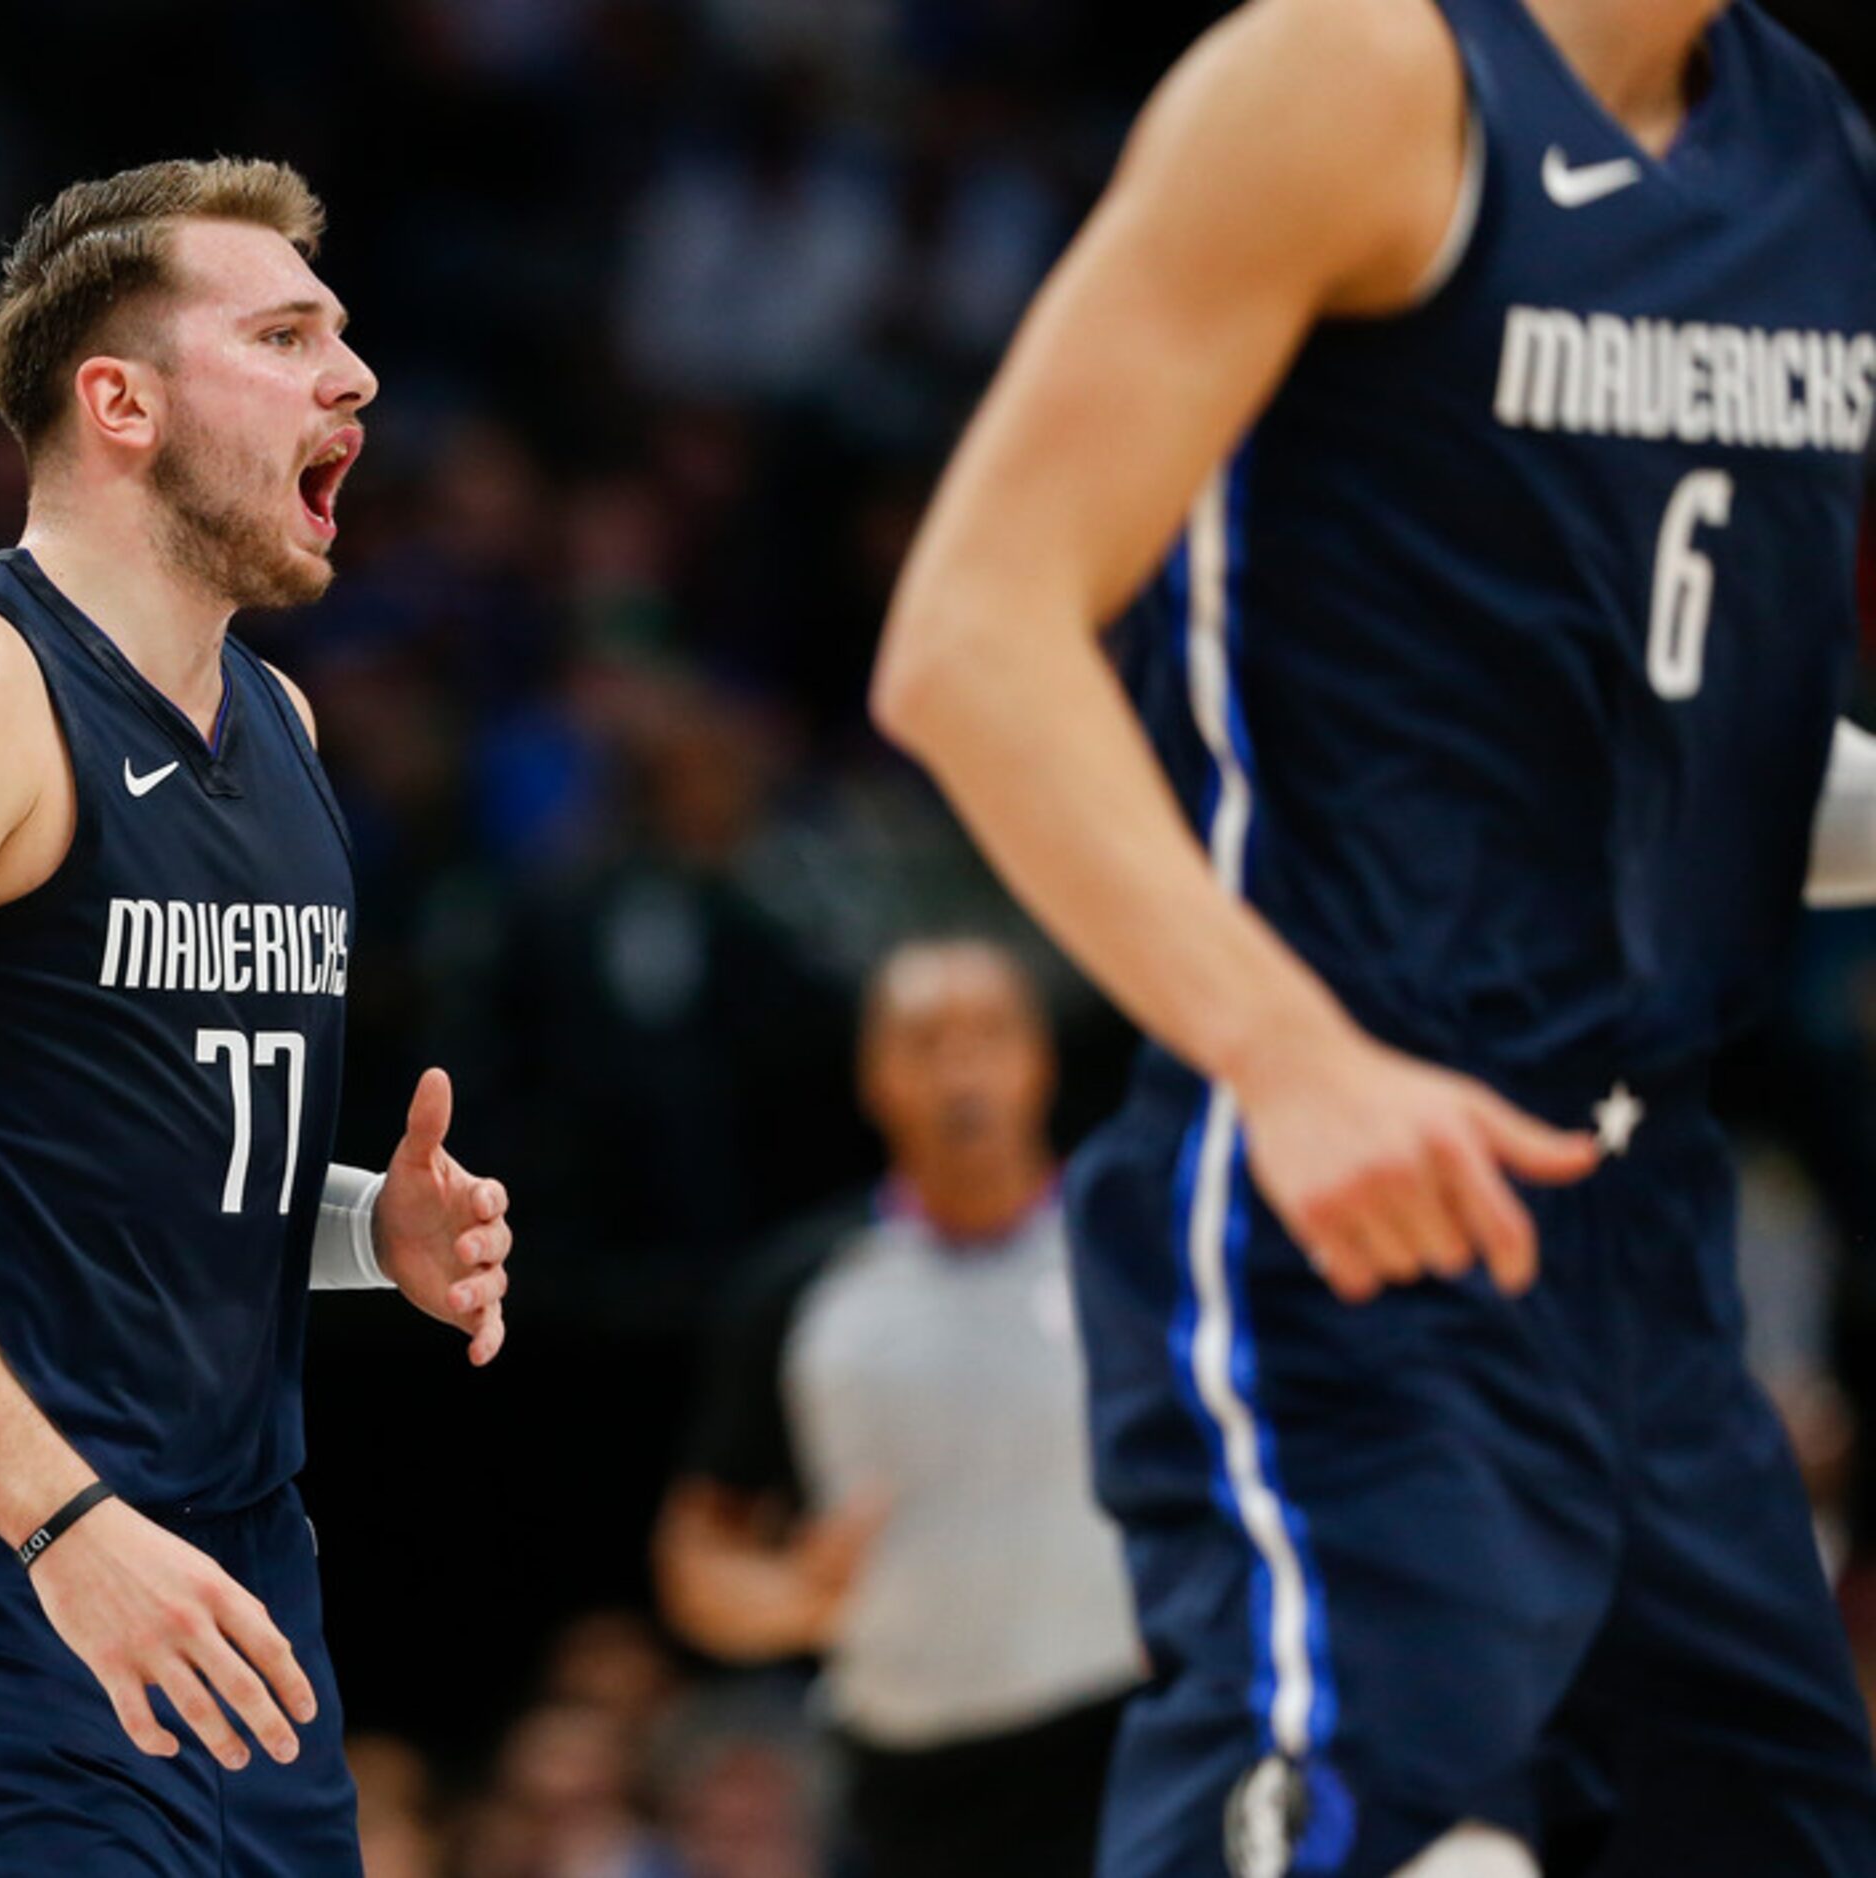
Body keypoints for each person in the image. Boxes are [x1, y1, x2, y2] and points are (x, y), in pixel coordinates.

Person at [869, 0, 1876, 1873]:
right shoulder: (1352, 79)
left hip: (1647, 1240)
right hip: (1343, 1199)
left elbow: (1683, 750)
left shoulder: (1809, 150)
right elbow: (971, 638)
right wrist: (1286, 1051)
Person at [0, 157, 516, 1878]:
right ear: (119, 401)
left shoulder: (281, 725)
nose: (353, 377)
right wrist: (63, 1519)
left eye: (346, 335)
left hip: (229, 1567)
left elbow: (92, 1186)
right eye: (288, 332)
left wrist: (377, 1231)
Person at [659, 938, 1139, 1876]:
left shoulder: (1135, 1257)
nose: (962, 1068)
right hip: (915, 1776)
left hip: (1127, 1739)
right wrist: (792, 1600)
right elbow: (696, 1557)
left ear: (1040, 1058)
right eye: (924, 1040)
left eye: (990, 1034)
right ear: (874, 1076)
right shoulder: (805, 1291)